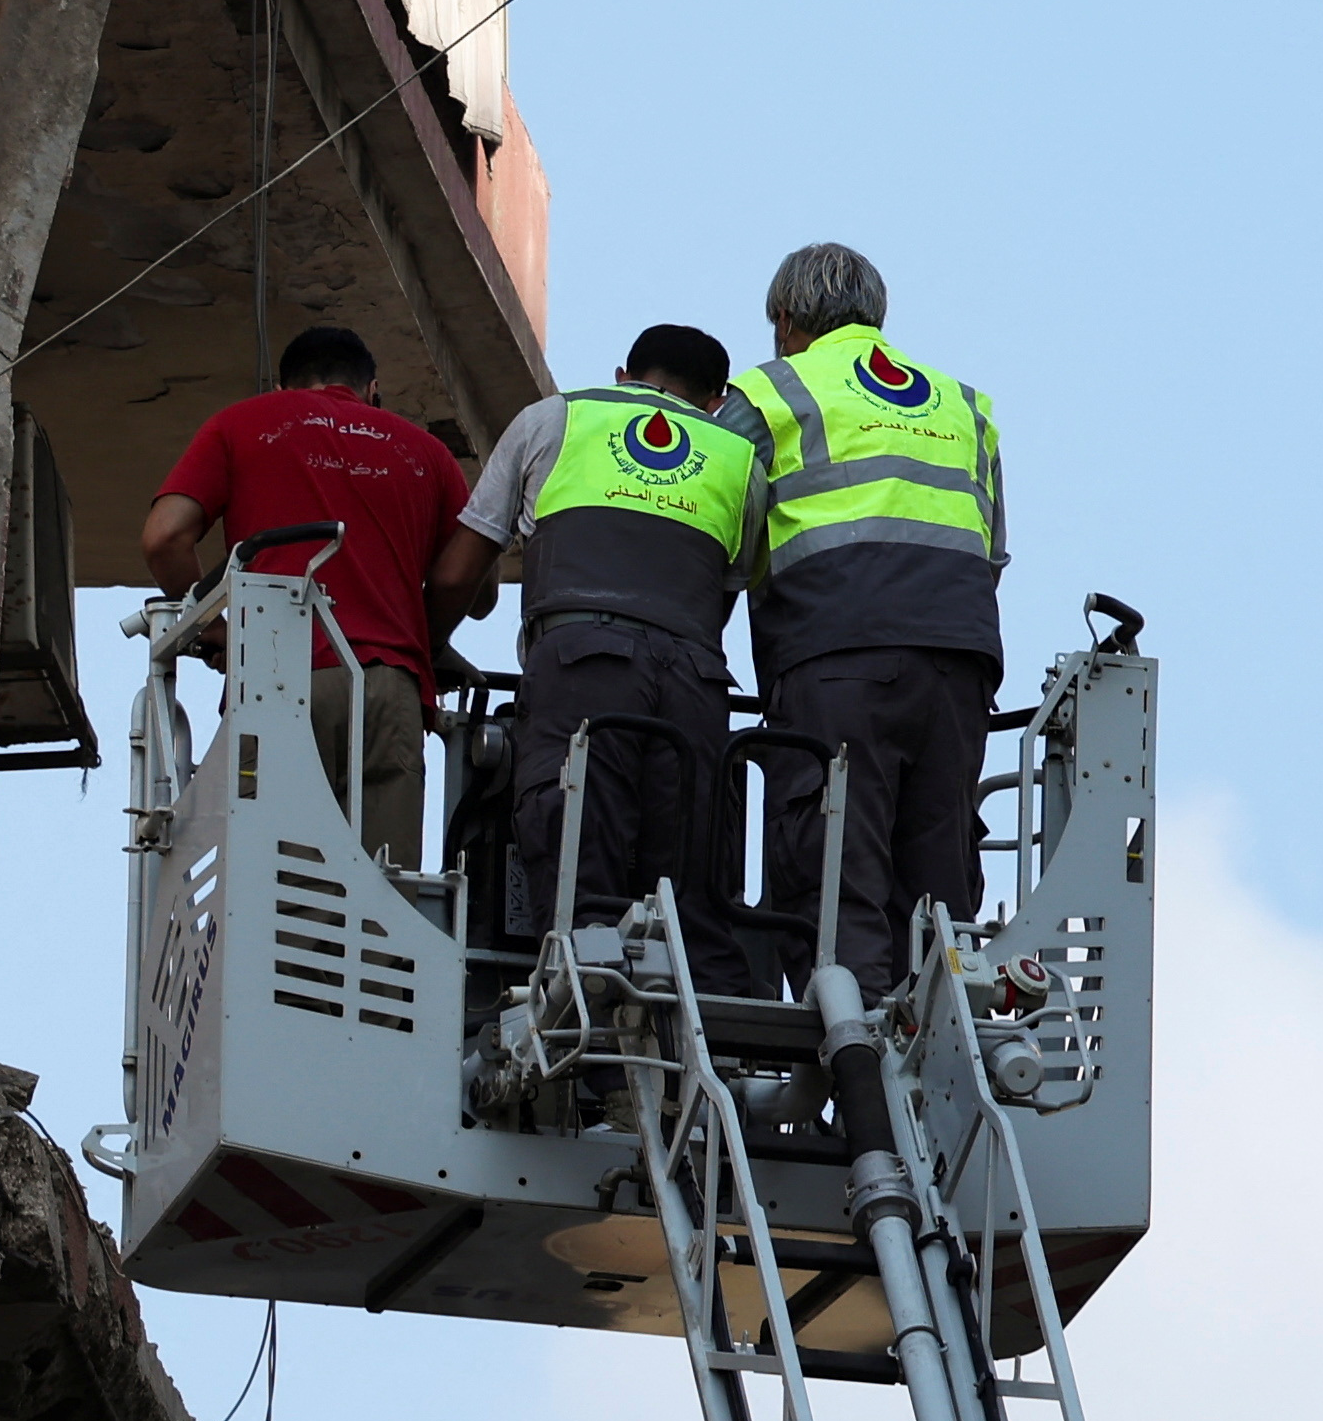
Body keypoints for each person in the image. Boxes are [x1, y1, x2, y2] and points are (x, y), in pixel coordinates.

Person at [425, 323, 758, 977]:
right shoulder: (740, 459)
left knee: (579, 849)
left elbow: (457, 574)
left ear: (622, 377)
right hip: (693, 679)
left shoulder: (554, 420)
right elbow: (718, 602)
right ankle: (696, 1008)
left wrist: (430, 649)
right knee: (686, 871)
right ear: (717, 401)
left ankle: (587, 991)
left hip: (581, 663)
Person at [727, 242, 1003, 993]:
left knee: (832, 850)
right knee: (937, 863)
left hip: (834, 654)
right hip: (960, 662)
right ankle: (936, 1031)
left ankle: (855, 1042)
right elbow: (991, 552)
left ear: (786, 320)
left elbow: (713, 533)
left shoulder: (767, 393)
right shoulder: (964, 404)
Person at [137, 326, 476, 864]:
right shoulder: (428, 455)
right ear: (373, 389)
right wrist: (420, 637)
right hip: (390, 690)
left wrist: (217, 629)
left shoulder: (242, 424)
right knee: (385, 897)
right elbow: (474, 590)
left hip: (276, 673)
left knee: (276, 894)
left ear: (282, 388)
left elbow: (164, 537)